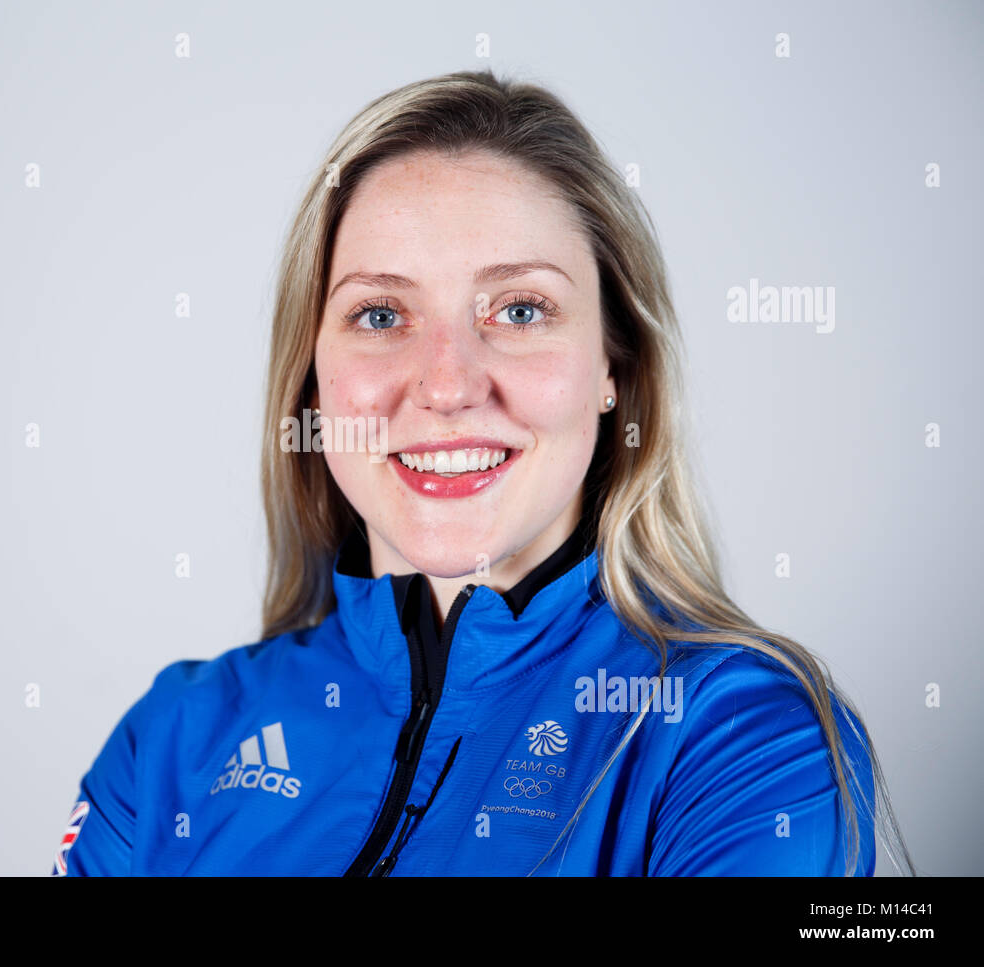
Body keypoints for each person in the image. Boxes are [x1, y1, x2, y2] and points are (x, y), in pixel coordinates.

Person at [51, 69, 914, 876]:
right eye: (381, 312)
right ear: (311, 376)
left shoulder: (743, 734)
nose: (447, 384)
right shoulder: (175, 738)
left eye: (520, 309)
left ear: (613, 366)